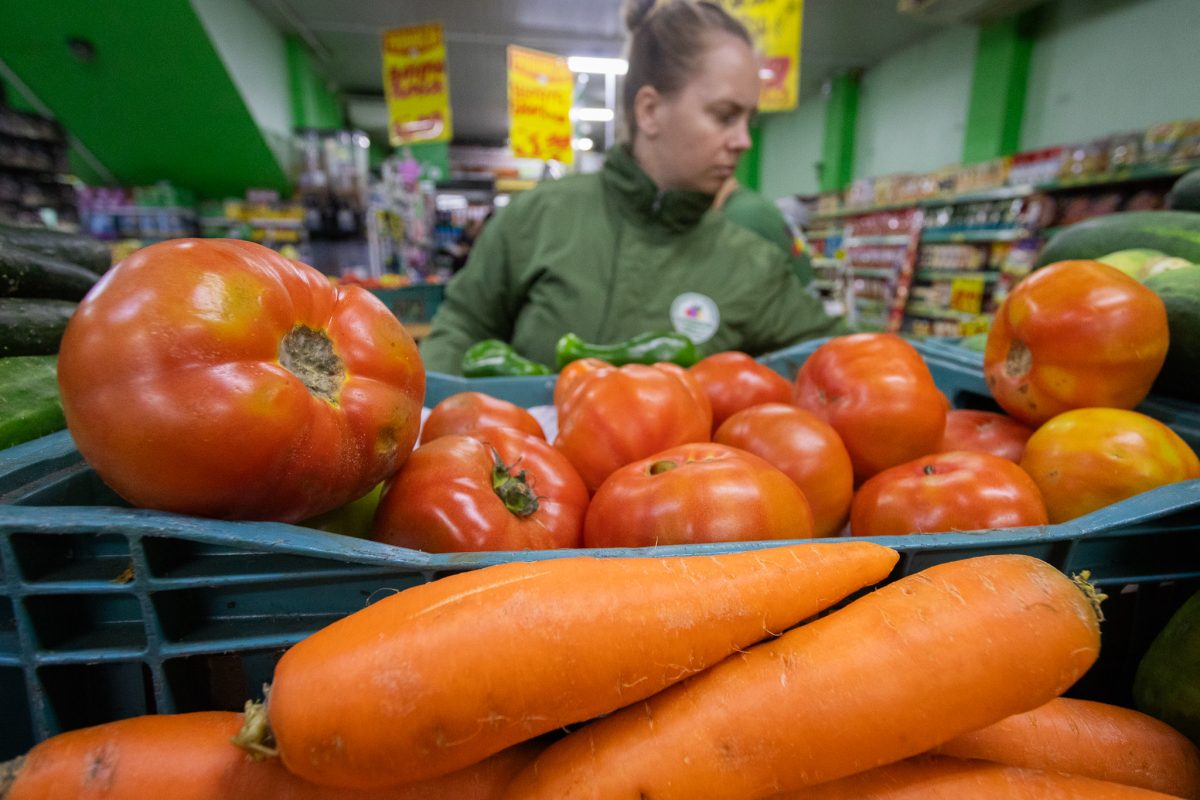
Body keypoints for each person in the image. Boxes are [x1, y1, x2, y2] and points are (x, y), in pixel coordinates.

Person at [419, 0, 845, 374]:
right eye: (724, 115)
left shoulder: (752, 265)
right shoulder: (537, 218)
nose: (744, 140)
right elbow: (459, 330)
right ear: (650, 110)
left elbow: (844, 361)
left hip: (682, 468)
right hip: (526, 465)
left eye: (748, 120)